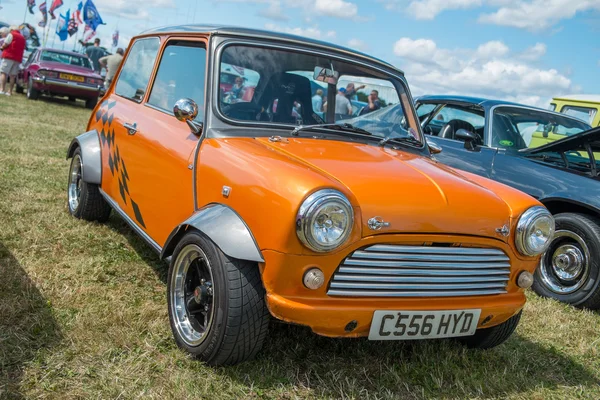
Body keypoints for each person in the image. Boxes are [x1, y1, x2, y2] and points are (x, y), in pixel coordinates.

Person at [0, 26, 26, 96]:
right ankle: (10, 91)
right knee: (12, 76)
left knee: (4, 73)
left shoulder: (11, 34)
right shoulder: (22, 38)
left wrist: (2, 48)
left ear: (11, 29)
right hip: (17, 58)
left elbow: (6, 44)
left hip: (8, 56)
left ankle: (2, 89)